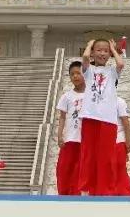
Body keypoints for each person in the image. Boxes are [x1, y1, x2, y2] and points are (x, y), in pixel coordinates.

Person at [80, 39, 124, 195]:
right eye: (98, 50)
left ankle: (105, 189)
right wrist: (89, 45)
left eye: (105, 51)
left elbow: (120, 64)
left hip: (108, 119)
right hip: (89, 115)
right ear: (93, 52)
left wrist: (113, 48)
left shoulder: (112, 72)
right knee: (89, 154)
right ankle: (87, 188)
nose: (102, 53)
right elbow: (85, 58)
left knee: (106, 157)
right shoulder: (88, 70)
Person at [55, 60, 85, 195]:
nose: (75, 76)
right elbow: (62, 117)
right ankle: (64, 194)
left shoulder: (91, 95)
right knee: (65, 167)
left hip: (86, 139)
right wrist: (60, 135)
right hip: (70, 138)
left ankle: (78, 195)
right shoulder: (66, 96)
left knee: (81, 170)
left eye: (78, 73)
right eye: (72, 74)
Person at [114, 96, 130, 196]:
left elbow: (125, 122)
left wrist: (128, 141)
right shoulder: (100, 101)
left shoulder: (119, 101)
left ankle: (126, 193)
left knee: (119, 168)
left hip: (119, 140)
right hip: (105, 141)